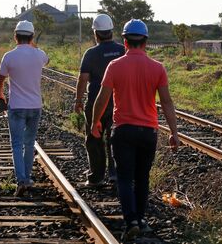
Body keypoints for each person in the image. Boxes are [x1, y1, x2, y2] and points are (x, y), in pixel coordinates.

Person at [91, 19, 181, 242]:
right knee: (142, 178)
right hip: (148, 131)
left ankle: (130, 220)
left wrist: (95, 123)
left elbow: (102, 98)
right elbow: (167, 103)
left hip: (123, 130)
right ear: (146, 42)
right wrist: (174, 132)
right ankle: (141, 220)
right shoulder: (157, 68)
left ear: (125, 41)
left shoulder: (115, 66)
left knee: (124, 178)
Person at [0, 20, 49, 197]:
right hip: (35, 106)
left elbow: (0, 80)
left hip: (17, 106)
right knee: (29, 143)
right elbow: (46, 61)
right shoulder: (40, 55)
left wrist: (0, 95)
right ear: (32, 37)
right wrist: (33, 44)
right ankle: (27, 177)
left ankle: (21, 180)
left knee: (17, 144)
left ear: (15, 36)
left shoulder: (9, 56)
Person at [74, 14, 125, 187]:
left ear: (95, 33)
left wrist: (78, 100)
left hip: (96, 102)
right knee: (116, 138)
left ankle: (96, 176)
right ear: (111, 31)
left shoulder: (90, 53)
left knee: (94, 138)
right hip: (118, 103)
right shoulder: (121, 50)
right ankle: (115, 175)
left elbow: (83, 79)